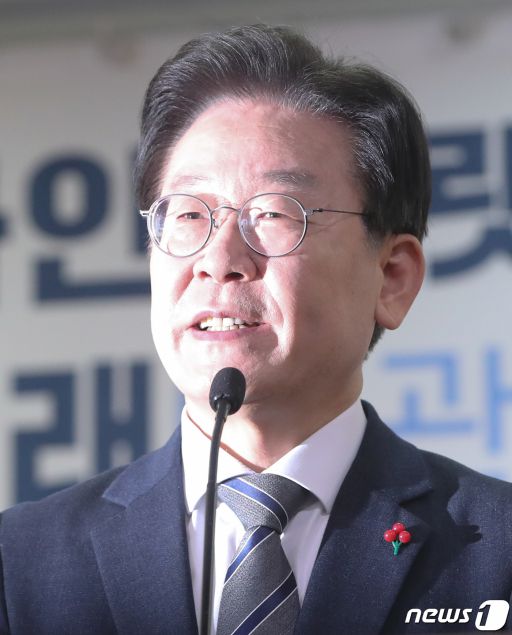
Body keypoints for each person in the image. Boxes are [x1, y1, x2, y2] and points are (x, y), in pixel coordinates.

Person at [1, 23, 511, 635]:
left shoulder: (497, 550)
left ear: (392, 278)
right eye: (189, 214)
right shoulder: (21, 564)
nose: (218, 259)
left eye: (273, 213)